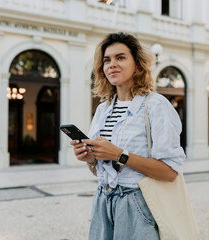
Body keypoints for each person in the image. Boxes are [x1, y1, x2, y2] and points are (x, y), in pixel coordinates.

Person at [70, 32, 185, 239]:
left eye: (120, 57)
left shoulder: (156, 105)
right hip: (102, 201)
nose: (112, 64)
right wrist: (91, 160)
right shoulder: (103, 109)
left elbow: (169, 172)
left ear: (138, 64)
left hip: (137, 205)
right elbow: (105, 172)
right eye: (107, 60)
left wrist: (119, 154)